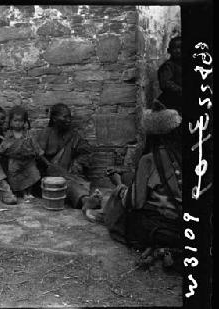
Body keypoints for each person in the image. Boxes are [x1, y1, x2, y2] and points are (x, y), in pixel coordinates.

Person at [101, 102, 182, 270]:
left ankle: (161, 247)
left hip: (167, 228)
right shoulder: (185, 155)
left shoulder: (149, 160)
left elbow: (133, 202)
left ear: (151, 135)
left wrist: (118, 184)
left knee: (124, 215)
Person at [37, 103, 97, 210]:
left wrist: (77, 163)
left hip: (68, 174)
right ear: (55, 118)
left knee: (76, 182)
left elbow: (87, 152)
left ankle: (87, 199)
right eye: (65, 117)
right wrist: (51, 168)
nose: (69, 120)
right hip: (50, 178)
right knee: (65, 184)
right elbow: (38, 155)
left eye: (70, 117)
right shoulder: (46, 133)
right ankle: (85, 201)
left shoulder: (73, 135)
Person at [0, 106, 49, 202]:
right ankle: (21, 192)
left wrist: (43, 158)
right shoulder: (9, 134)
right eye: (15, 120)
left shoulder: (28, 134)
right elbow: (3, 146)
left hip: (28, 161)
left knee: (31, 174)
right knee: (16, 177)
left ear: (25, 122)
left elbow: (36, 146)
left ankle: (28, 193)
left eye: (20, 121)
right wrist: (2, 150)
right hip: (15, 162)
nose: (18, 123)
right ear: (11, 121)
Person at [157, 36, 182, 113]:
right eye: (175, 48)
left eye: (181, 48)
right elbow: (165, 84)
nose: (178, 51)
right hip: (170, 102)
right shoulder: (168, 66)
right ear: (169, 50)